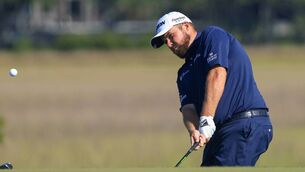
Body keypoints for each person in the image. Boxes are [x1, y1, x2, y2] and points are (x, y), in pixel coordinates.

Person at [150, 11, 273, 166]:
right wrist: (194, 130)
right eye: (164, 40)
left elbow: (216, 73)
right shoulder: (184, 73)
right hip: (220, 133)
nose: (168, 44)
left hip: (243, 124)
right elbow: (188, 109)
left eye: (170, 36)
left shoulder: (212, 36)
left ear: (186, 27)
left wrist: (206, 119)